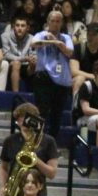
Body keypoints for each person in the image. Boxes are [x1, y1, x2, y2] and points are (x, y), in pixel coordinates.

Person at [0, 103, 60, 196]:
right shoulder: (10, 140)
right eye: (19, 119)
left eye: (25, 119)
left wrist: (35, 159)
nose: (22, 122)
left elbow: (52, 173)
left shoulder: (48, 141)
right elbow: (3, 167)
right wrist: (3, 187)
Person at [30, 9, 75, 138]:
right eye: (53, 21)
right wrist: (52, 42)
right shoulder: (40, 34)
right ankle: (35, 140)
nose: (55, 24)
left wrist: (56, 41)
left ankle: (52, 142)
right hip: (44, 77)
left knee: (57, 114)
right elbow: (34, 44)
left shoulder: (66, 38)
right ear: (48, 22)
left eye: (58, 21)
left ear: (62, 23)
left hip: (62, 80)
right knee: (41, 111)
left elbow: (69, 52)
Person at [0, 13, 35, 92]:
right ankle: (16, 94)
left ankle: (34, 95)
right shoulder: (5, 36)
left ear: (28, 28)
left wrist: (32, 59)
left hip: (26, 66)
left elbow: (32, 54)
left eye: (22, 26)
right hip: (10, 65)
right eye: (17, 25)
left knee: (34, 63)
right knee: (16, 63)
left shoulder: (32, 38)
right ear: (13, 27)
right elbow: (6, 55)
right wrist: (23, 58)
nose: (20, 28)